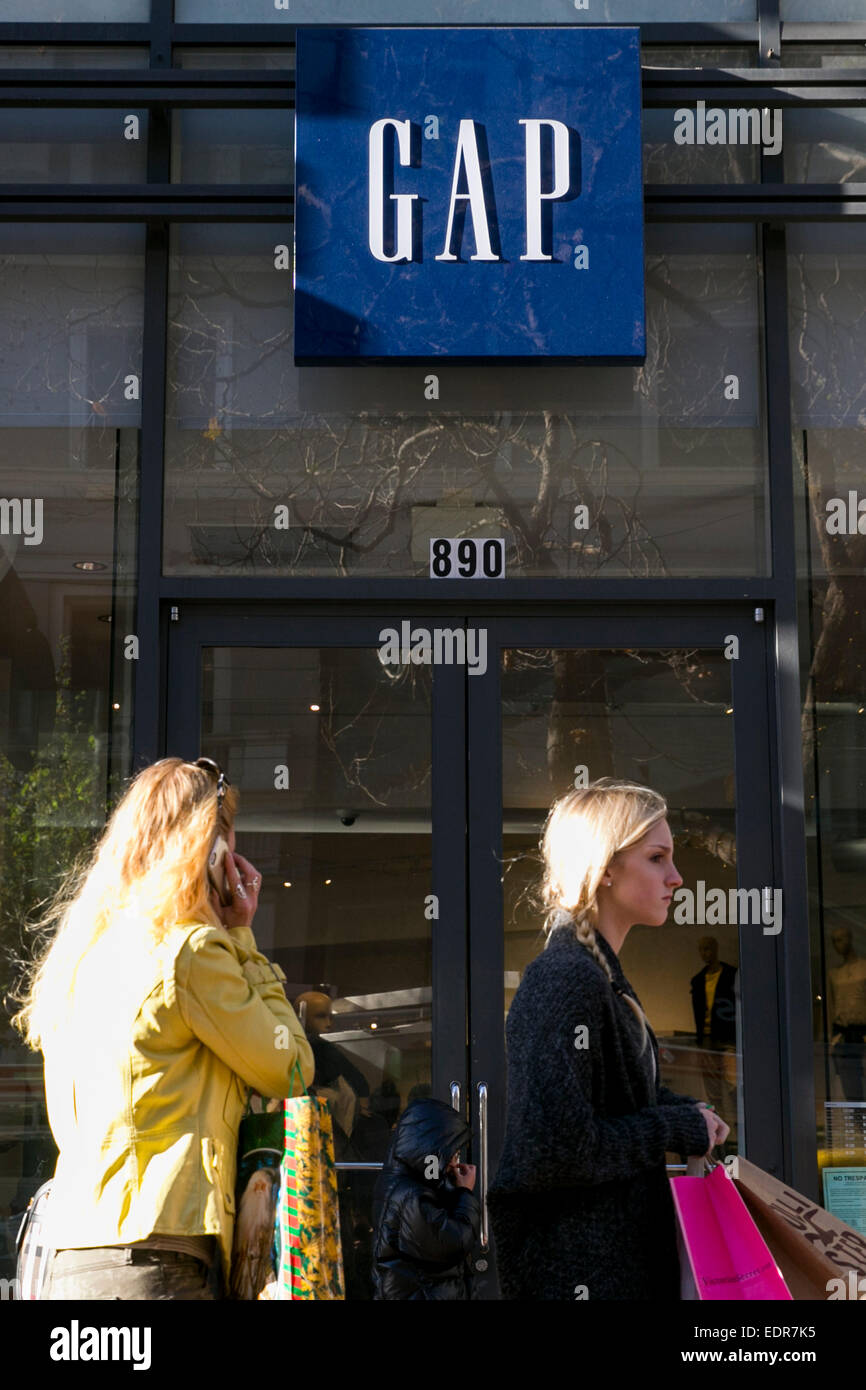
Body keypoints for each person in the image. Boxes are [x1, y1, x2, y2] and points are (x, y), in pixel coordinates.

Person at [10, 756, 314, 1300]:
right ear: (213, 852)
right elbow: (290, 1068)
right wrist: (244, 936)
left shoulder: (81, 959)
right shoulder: (190, 953)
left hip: (73, 1258)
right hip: (157, 1260)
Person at [488, 777, 729, 1301]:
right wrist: (675, 1123)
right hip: (582, 1272)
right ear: (605, 868)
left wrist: (690, 1116)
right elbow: (558, 1148)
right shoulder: (566, 978)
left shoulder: (596, 975)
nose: (678, 877)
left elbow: (615, 1105)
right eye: (657, 858)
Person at [371, 1096, 480, 1299]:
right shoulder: (409, 1196)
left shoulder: (408, 1182)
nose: (454, 1164)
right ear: (429, 1152)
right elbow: (454, 1243)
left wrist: (451, 1186)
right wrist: (465, 1192)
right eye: (452, 1155)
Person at [690, 935, 738, 1129]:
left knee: (733, 1083)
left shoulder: (730, 975)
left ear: (716, 949)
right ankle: (719, 1126)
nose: (705, 953)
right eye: (702, 949)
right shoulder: (698, 980)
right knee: (713, 1088)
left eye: (708, 949)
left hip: (727, 1037)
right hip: (707, 1039)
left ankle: (738, 1125)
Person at [828, 927, 866, 1103]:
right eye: (834, 940)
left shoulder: (863, 967)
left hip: (862, 1030)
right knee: (849, 1081)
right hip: (843, 1032)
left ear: (850, 939)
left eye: (841, 939)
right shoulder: (834, 974)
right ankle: (858, 1124)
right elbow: (831, 1006)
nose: (838, 945)